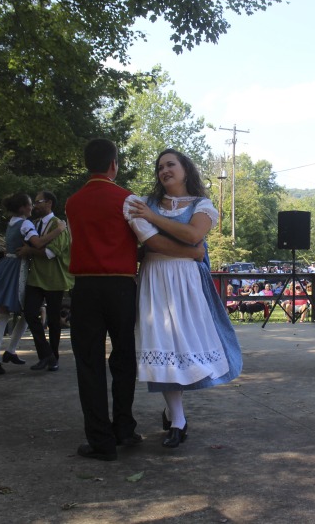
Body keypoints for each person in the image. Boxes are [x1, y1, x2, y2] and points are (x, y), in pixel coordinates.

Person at [66, 139, 202, 461]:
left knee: (89, 364)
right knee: (125, 358)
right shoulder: (127, 200)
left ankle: (101, 441)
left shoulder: (72, 203)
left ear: (88, 165)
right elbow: (151, 241)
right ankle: (124, 428)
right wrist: (193, 253)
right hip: (122, 288)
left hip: (85, 288)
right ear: (114, 164)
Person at [126, 148, 242, 449]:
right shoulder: (145, 203)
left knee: (184, 345)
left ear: (185, 169)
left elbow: (193, 235)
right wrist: (187, 250)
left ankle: (172, 411)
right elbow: (154, 243)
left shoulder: (202, 204)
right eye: (160, 167)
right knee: (163, 345)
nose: (164, 170)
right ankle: (178, 419)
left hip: (188, 283)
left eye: (170, 164)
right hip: (155, 278)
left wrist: (154, 221)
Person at [0, 193, 65, 375]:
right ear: (23, 208)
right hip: (18, 269)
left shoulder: (11, 223)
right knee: (27, 311)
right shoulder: (27, 224)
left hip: (6, 266)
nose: (33, 207)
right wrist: (58, 230)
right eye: (30, 204)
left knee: (6, 313)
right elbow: (38, 243)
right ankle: (12, 350)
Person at [16, 191, 74, 372]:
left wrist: (29, 251)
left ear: (49, 203)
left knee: (55, 321)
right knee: (30, 313)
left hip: (55, 279)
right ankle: (45, 354)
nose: (35, 206)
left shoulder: (59, 225)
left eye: (38, 202)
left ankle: (54, 358)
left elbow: (50, 253)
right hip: (36, 278)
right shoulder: (34, 224)